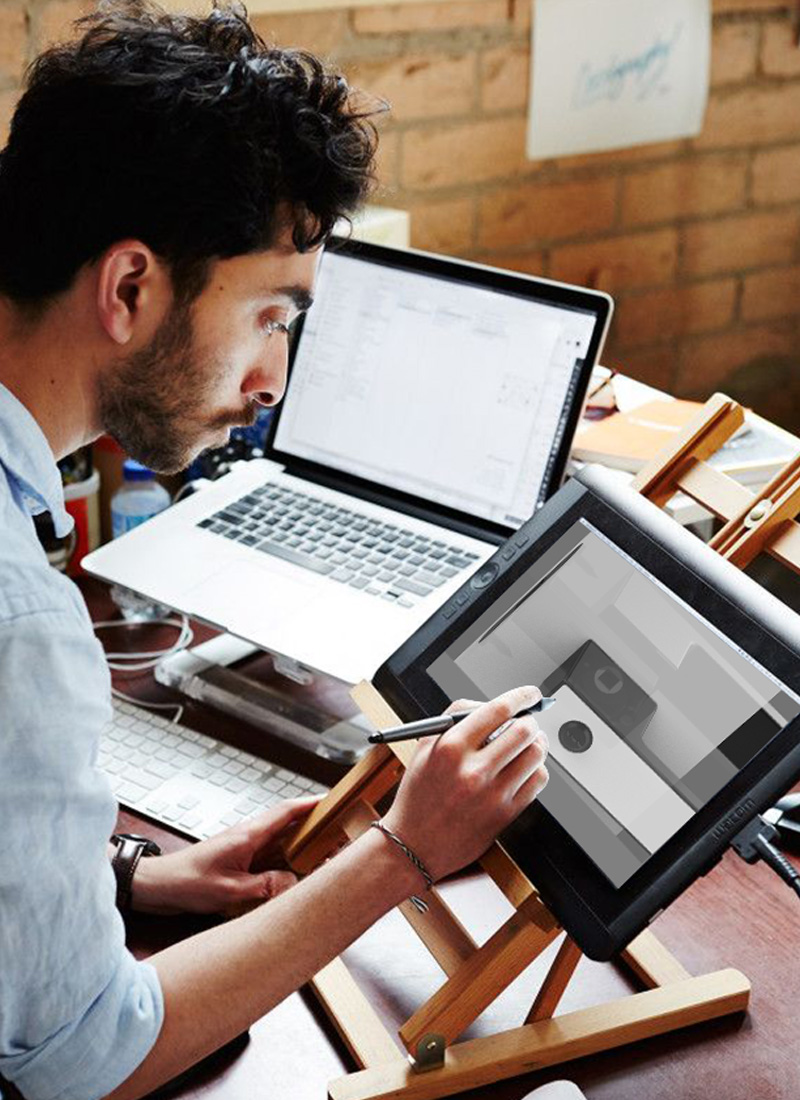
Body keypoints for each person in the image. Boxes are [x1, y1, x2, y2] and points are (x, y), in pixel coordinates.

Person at [0, 3, 550, 1099]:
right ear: (128, 289)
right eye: (271, 316)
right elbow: (81, 1063)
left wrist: (122, 876)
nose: (271, 384)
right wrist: (398, 852)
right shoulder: (21, 629)